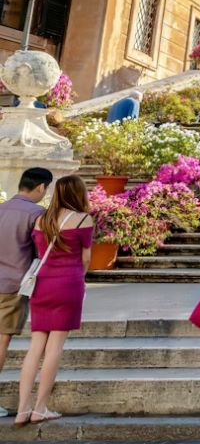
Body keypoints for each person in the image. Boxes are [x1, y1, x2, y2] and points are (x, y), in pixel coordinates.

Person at [14, 174, 93, 426]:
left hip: (42, 284)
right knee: (54, 348)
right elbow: (86, 259)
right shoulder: (83, 219)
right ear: (78, 193)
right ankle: (40, 408)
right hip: (68, 284)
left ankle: (22, 409)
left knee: (35, 347)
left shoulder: (40, 220)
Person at [0, 168, 52, 419]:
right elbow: (41, 251)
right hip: (11, 285)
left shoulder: (1, 208)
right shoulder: (37, 213)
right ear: (41, 188)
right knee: (0, 341)